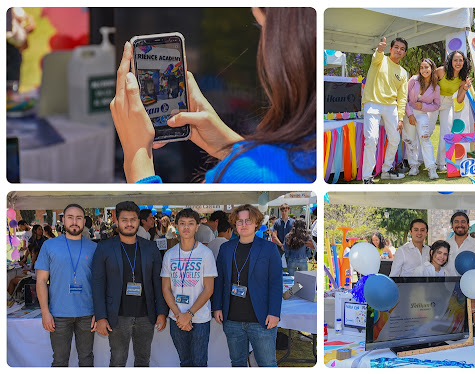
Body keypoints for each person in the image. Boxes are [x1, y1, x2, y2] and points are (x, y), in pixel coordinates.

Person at [110, 8, 315, 183]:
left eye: (262, 27)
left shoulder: (245, 176)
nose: (263, 47)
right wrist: (226, 145)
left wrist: (136, 155)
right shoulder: (320, 144)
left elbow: (151, 209)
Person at [91, 201, 168, 367]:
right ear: (117, 222)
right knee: (118, 361)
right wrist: (101, 316)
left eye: (133, 219)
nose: (129, 223)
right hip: (117, 316)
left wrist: (161, 311)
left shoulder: (150, 247)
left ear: (138, 221)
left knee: (143, 361)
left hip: (146, 316)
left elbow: (158, 281)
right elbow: (97, 284)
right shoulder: (104, 248)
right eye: (124, 220)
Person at [213, 204, 282, 367]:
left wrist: (274, 312)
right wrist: (217, 307)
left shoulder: (269, 248)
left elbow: (276, 283)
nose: (244, 225)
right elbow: (219, 280)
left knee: (267, 363)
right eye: (240, 221)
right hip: (232, 319)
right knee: (237, 363)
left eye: (248, 221)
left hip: (261, 319)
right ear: (234, 224)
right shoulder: (226, 248)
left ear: (257, 223)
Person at [35, 204, 98, 366]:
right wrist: (44, 312)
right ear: (63, 220)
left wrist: (99, 312)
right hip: (58, 315)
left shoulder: (94, 248)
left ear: (84, 221)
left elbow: (100, 283)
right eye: (70, 217)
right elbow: (41, 281)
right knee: (60, 361)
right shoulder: (49, 246)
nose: (74, 222)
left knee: (86, 359)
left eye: (79, 218)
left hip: (87, 314)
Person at [161, 208, 217, 367]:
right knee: (185, 362)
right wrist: (180, 315)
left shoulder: (206, 253)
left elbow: (208, 289)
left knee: (199, 363)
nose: (186, 227)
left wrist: (189, 314)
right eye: (182, 223)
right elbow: (166, 288)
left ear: (197, 226)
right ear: (176, 226)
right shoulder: (169, 255)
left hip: (199, 318)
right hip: (176, 318)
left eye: (191, 223)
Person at [361, 36, 409, 183]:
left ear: (405, 53)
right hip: (372, 103)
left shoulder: (403, 73)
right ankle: (367, 177)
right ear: (390, 49)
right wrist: (379, 50)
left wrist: (400, 118)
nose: (399, 51)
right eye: (396, 47)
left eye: (402, 49)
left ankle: (386, 170)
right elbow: (376, 56)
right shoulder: (380, 59)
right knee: (371, 139)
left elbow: (402, 97)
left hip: (391, 107)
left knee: (395, 139)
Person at [435, 51, 473, 171]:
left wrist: (465, 88)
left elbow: (460, 100)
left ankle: (441, 164)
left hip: (447, 103)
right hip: (434, 101)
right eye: (455, 60)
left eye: (460, 60)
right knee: (427, 131)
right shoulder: (441, 71)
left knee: (446, 133)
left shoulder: (462, 79)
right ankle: (422, 161)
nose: (458, 63)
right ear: (450, 61)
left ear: (464, 62)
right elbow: (429, 85)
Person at [403, 58, 441, 178]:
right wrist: (410, 115)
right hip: (409, 113)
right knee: (410, 140)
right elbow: (404, 98)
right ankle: (414, 166)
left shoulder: (436, 87)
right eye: (422, 67)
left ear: (432, 69)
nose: (424, 70)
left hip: (422, 114)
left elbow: (437, 105)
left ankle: (431, 168)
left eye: (426, 67)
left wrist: (423, 106)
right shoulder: (413, 80)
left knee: (425, 139)